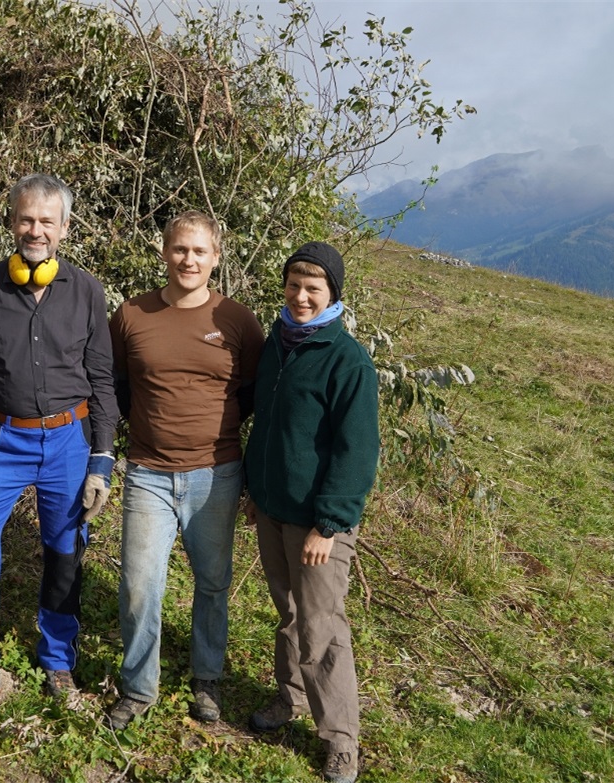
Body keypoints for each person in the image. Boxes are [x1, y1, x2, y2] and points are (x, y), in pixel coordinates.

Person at [0, 173, 119, 725]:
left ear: (64, 228)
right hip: (2, 438)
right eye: (25, 218)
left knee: (65, 554)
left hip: (68, 440)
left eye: (46, 221)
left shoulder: (87, 290)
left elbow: (102, 379)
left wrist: (102, 459)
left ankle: (58, 660)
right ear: (11, 221)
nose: (35, 230)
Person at [105, 211, 264, 730]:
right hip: (148, 471)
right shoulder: (131, 314)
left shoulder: (238, 321)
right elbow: (118, 388)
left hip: (216, 473)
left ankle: (207, 679)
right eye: (179, 250)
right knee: (138, 584)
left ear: (216, 257)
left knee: (213, 582)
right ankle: (138, 687)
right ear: (164, 252)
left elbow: (253, 394)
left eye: (199, 251)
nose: (188, 260)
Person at [244, 241, 379, 783]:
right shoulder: (277, 345)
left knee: (322, 625)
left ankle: (341, 738)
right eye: (294, 286)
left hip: (319, 523)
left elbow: (356, 451)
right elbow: (269, 430)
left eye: (313, 289)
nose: (301, 297)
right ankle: (290, 698)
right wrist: (259, 491)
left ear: (332, 296)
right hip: (274, 510)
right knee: (289, 614)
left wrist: (329, 523)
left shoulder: (347, 361)